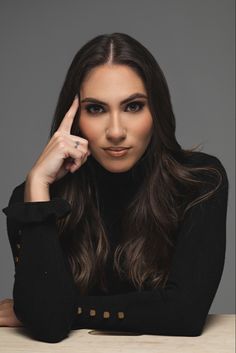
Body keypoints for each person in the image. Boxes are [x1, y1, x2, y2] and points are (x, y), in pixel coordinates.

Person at [0, 32, 229, 343]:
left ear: (156, 111)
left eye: (133, 106)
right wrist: (38, 184)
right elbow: (48, 325)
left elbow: (185, 314)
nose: (116, 131)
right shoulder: (34, 199)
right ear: (75, 119)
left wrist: (69, 309)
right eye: (96, 109)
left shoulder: (199, 181)